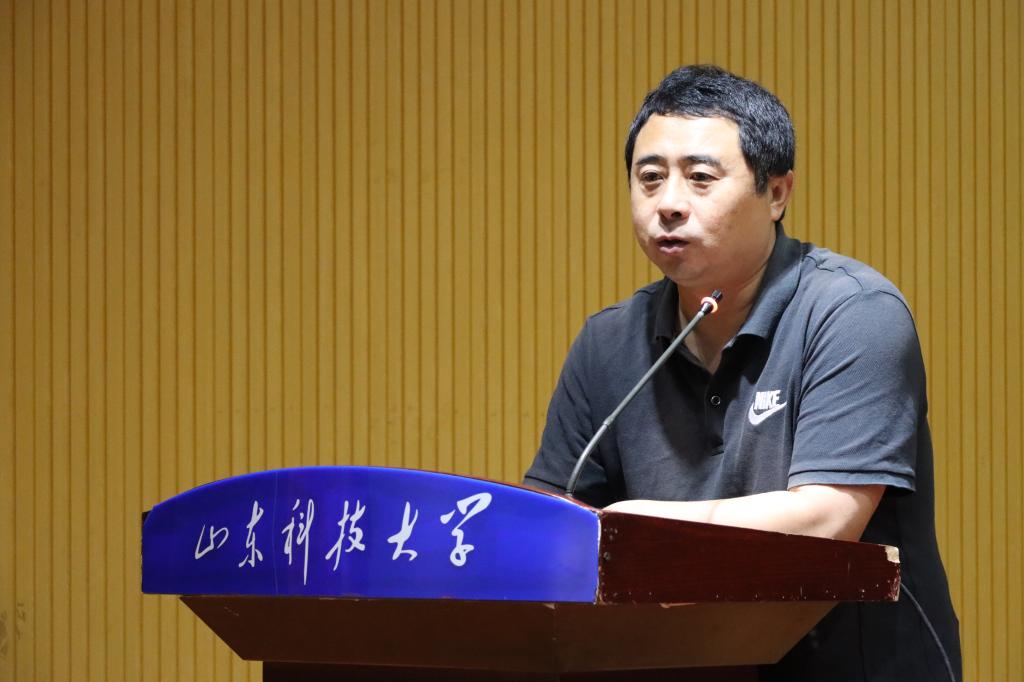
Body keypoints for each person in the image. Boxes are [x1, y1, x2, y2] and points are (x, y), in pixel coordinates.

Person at [523, 64, 961, 681]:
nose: (668, 204)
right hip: (681, 662)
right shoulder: (608, 341)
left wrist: (632, 524)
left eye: (700, 178)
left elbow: (827, 518)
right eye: (650, 178)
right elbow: (551, 521)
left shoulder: (854, 312)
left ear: (777, 193)